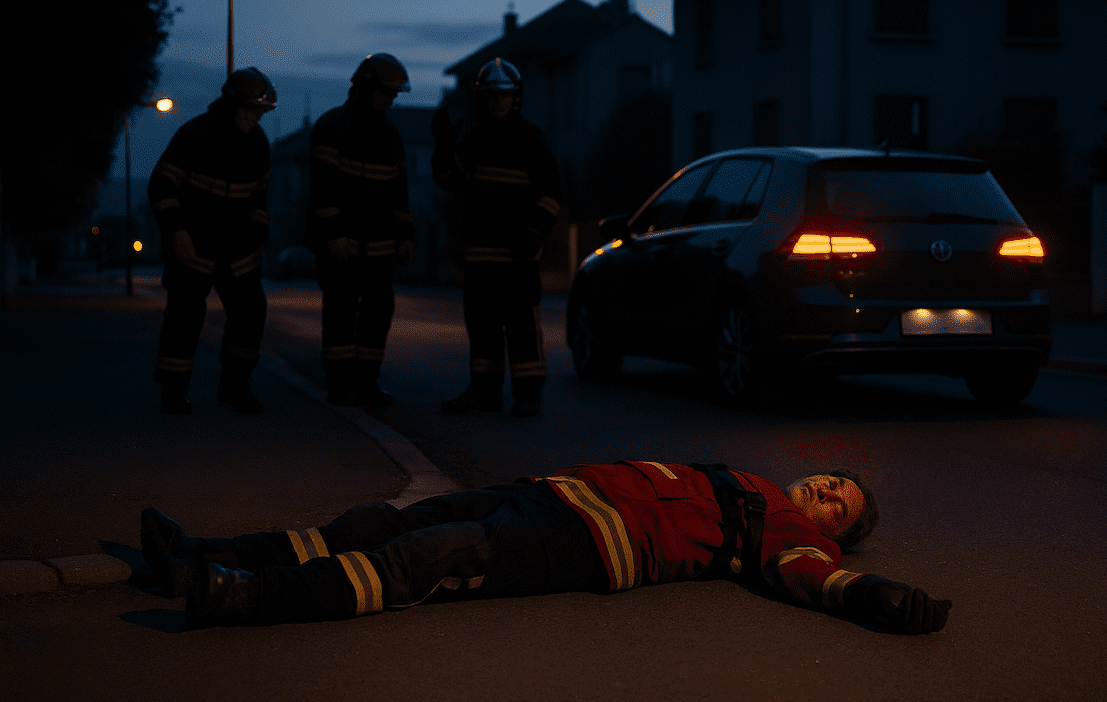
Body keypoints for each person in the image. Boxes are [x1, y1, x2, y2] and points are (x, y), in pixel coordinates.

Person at [140, 460, 952, 634]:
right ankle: (202, 555)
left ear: (836, 529)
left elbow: (811, 578)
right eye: (832, 480)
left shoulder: (788, 531)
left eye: (840, 505)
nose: (827, 492)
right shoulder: (753, 480)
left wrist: (871, 595)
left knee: (430, 557)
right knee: (373, 523)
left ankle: (240, 597)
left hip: (592, 544)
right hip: (552, 493)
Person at [431, 58, 563, 417]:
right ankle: (483, 394)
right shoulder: (475, 139)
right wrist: (443, 147)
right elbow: (449, 179)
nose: (497, 103)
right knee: (483, 328)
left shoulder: (531, 140)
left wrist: (534, 231)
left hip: (518, 257)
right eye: (490, 97)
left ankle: (528, 395)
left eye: (503, 96)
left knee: (522, 327)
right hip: (480, 257)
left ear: (515, 98)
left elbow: (551, 192)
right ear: (482, 99)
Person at [147, 68, 275, 415]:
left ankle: (236, 388)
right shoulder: (195, 135)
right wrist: (176, 231)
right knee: (185, 316)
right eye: (250, 111)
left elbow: (258, 202)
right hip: (193, 246)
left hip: (237, 251)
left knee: (250, 311)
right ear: (231, 104)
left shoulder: (259, 145)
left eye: (260, 113)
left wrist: (259, 242)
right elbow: (162, 186)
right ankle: (174, 392)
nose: (255, 119)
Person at [304, 54, 416, 406]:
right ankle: (338, 385)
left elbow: (400, 191)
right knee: (340, 312)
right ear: (365, 87)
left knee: (377, 312)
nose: (391, 100)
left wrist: (406, 236)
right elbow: (323, 188)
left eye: (395, 94)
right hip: (342, 245)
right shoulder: (332, 127)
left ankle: (367, 382)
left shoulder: (390, 135)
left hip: (380, 247)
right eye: (387, 92)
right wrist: (334, 232)